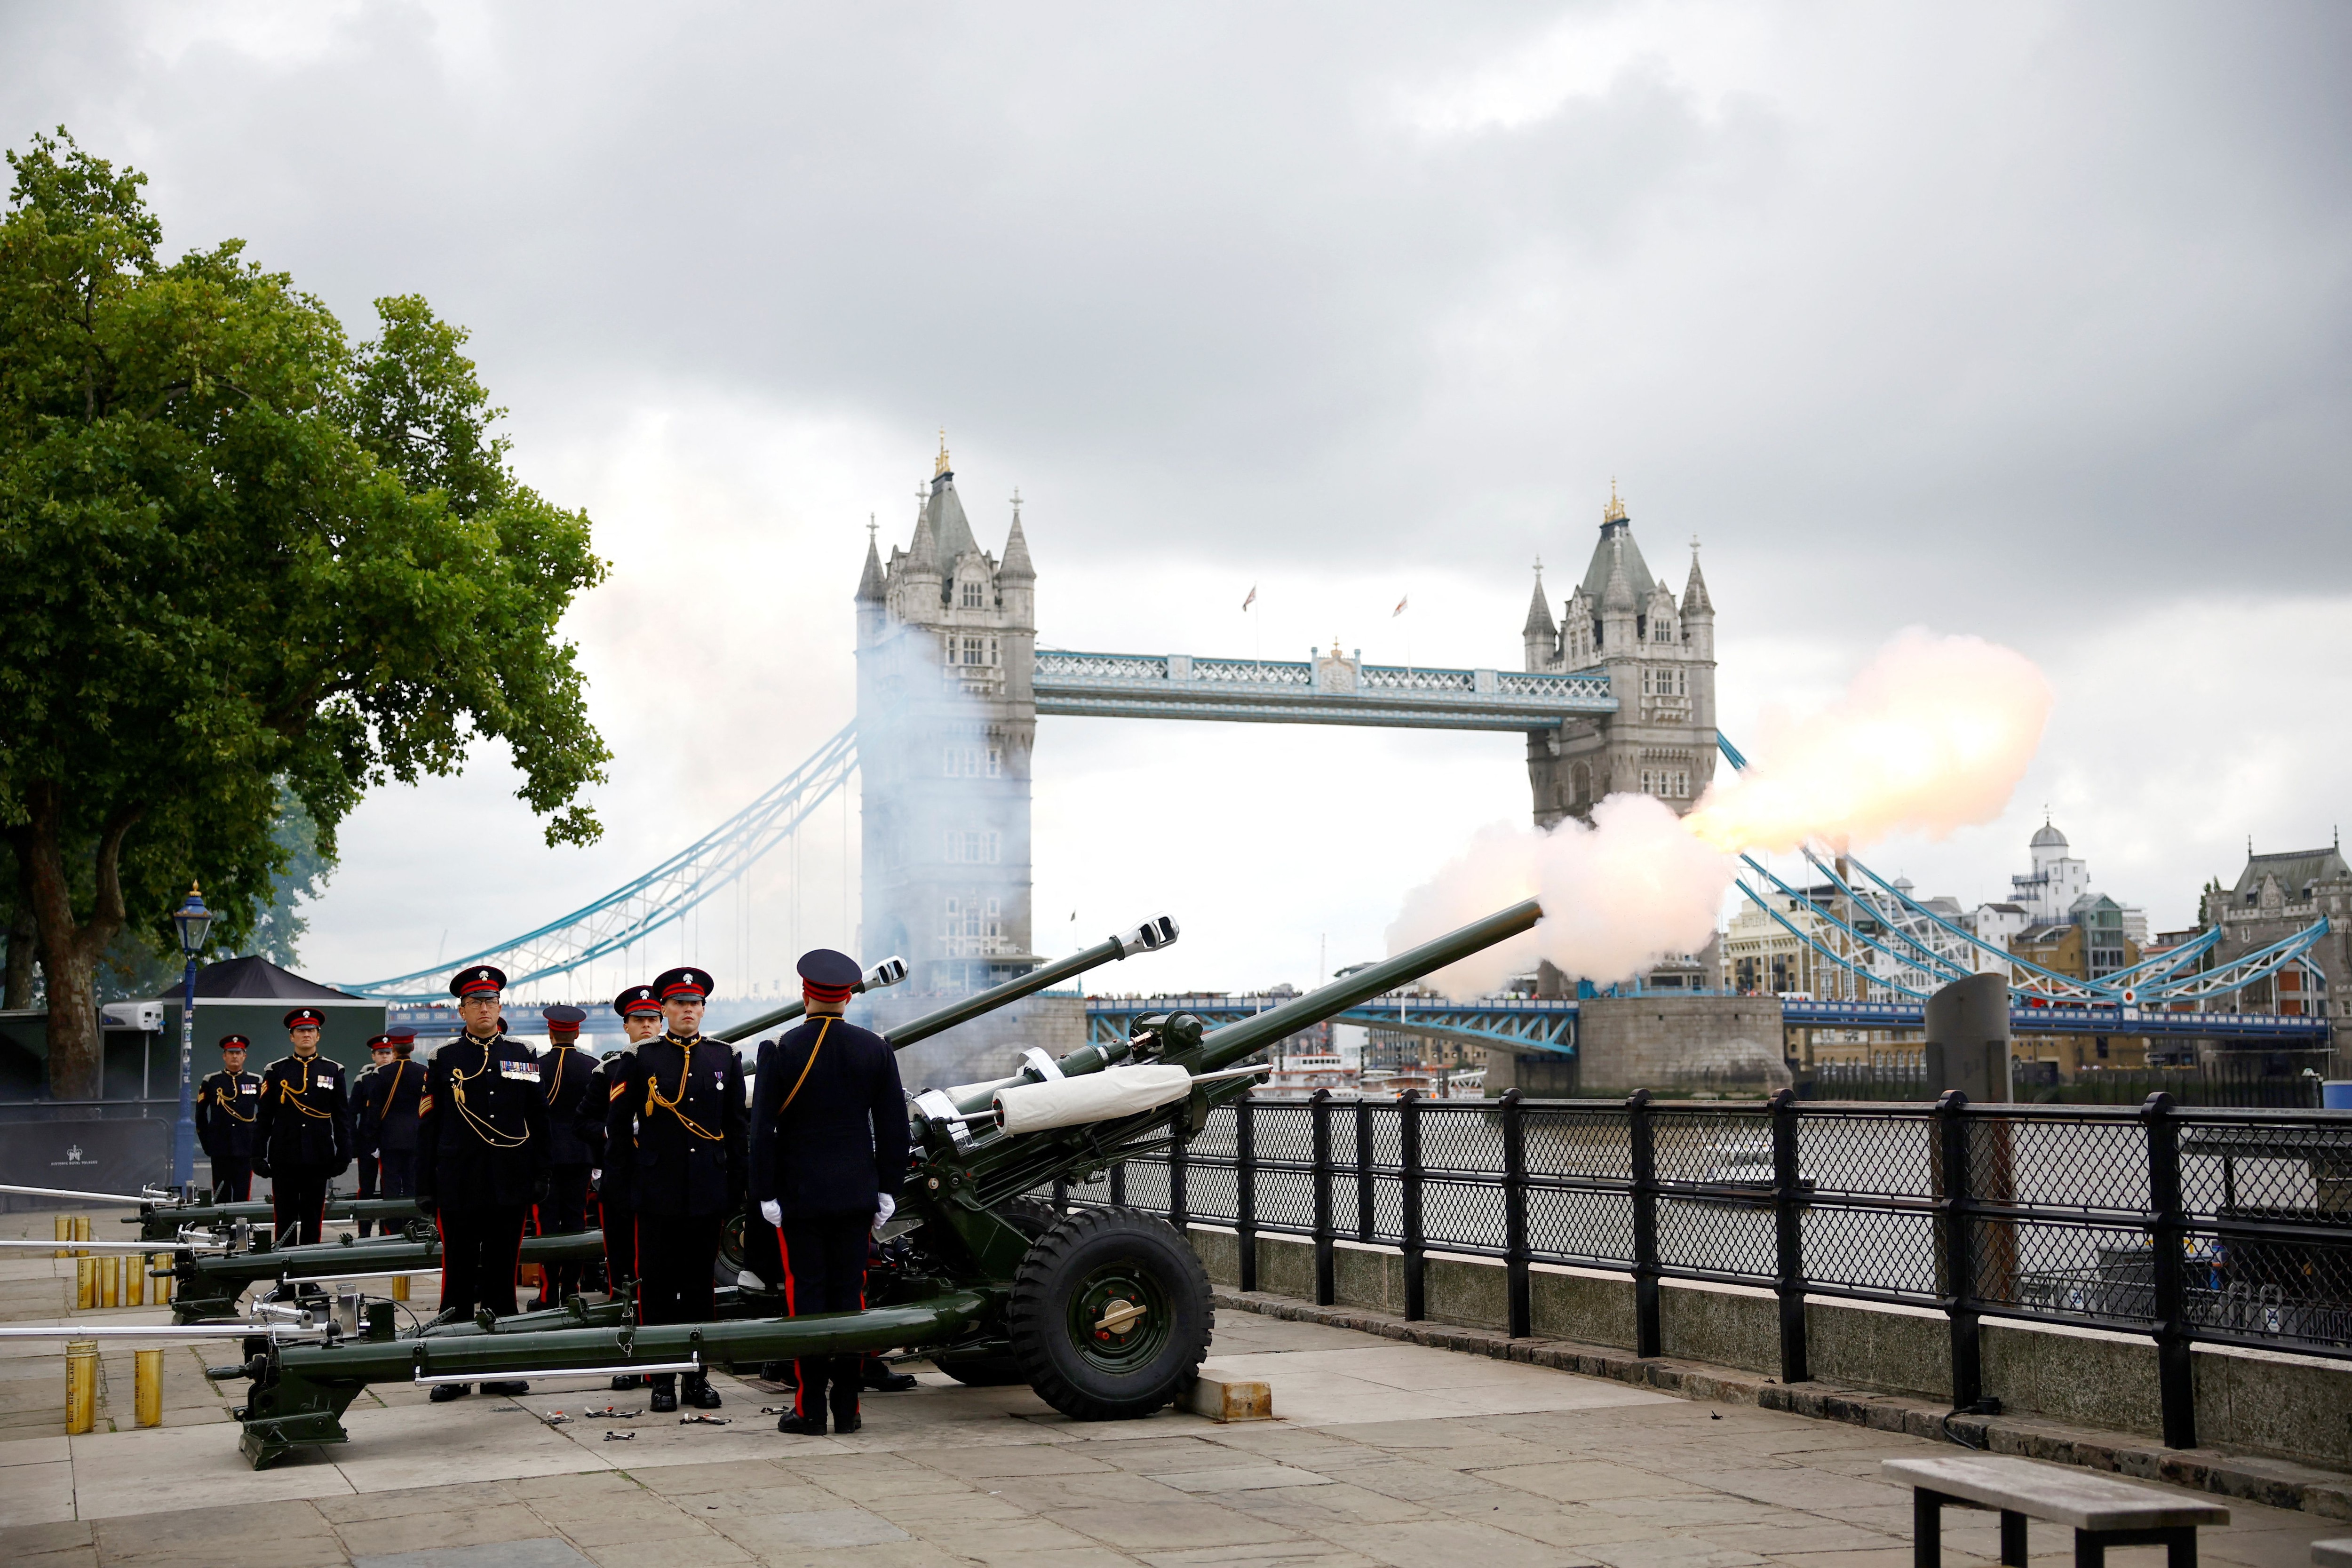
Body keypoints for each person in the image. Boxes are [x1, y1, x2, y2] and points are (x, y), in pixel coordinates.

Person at [749, 948, 907, 1435]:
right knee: (850, 1301)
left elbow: (762, 1132)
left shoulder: (782, 1049)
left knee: (806, 1303)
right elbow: (893, 1128)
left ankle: (809, 1409)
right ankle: (849, 1410)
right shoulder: (874, 1049)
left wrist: (765, 1194)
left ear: (805, 994)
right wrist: (886, 1190)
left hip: (799, 1199)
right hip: (856, 1197)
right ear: (848, 998)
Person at [606, 965, 744, 1413]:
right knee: (659, 1289)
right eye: (680, 1004)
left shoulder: (724, 1057)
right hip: (657, 1191)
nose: (688, 1010)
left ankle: (697, 1376)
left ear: (703, 1009)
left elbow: (736, 1130)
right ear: (664, 1010)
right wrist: (621, 1190)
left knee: (700, 1289)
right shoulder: (642, 1058)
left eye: (695, 1004)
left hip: (706, 1190)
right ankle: (662, 1378)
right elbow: (618, 1131)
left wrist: (739, 1188)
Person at [415, 965, 547, 1403]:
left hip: (509, 1181)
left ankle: (501, 1367)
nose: (485, 1008)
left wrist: (540, 1172)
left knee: (501, 1277)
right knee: (457, 1278)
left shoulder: (523, 1052)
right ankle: (452, 1368)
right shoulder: (445, 1057)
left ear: (501, 1006)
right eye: (476, 1002)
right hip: (458, 1183)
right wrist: (425, 1183)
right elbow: (429, 1125)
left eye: (491, 1001)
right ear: (463, 1009)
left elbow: (537, 1118)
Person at [584, 983, 660, 1388]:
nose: (646, 1026)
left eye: (652, 1019)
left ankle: (665, 1359)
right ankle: (627, 1358)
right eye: (639, 1020)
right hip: (622, 1184)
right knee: (624, 1276)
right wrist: (617, 1132)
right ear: (626, 1026)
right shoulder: (608, 1070)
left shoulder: (677, 1062)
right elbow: (585, 1121)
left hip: (664, 1187)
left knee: (662, 1277)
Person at [251, 1009, 352, 1248]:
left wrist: (344, 1154)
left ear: (318, 1036)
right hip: (284, 1156)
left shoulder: (333, 1071)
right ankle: (285, 1281)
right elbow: (264, 1117)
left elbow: (342, 1118)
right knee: (284, 1221)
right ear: (292, 1037)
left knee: (312, 1220)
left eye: (311, 1031)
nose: (306, 1035)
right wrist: (257, 1154)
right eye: (300, 1031)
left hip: (319, 1157)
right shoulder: (276, 1071)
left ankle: (308, 1283)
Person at [532, 1004, 598, 1309]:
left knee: (547, 1225)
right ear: (578, 1031)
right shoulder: (592, 1066)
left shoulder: (535, 1066)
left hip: (544, 1157)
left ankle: (548, 1294)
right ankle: (572, 1290)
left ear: (550, 1031)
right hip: (581, 1154)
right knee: (576, 1224)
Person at [355, 1028, 426, 1222]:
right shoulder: (424, 1073)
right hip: (416, 1140)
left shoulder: (381, 1074)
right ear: (413, 1048)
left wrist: (372, 1141)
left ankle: (392, 1230)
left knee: (391, 1189)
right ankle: (415, 1229)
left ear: (393, 1049)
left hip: (389, 1142)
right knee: (413, 1188)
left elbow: (374, 1113)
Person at [195, 1035, 262, 1202]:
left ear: (244, 1056)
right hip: (220, 1146)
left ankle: (241, 1226)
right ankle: (222, 1227)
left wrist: (257, 1141)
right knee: (220, 1192)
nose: (234, 1057)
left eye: (238, 1053)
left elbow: (265, 1113)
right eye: (231, 1053)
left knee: (243, 1192)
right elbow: (200, 1116)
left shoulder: (255, 1081)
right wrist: (207, 1144)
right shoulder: (211, 1081)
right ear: (224, 1056)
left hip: (245, 1146)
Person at [350, 1035, 395, 1235]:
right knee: (366, 1189)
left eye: (388, 1053)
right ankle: (364, 1233)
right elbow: (352, 1113)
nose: (385, 1057)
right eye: (381, 1054)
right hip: (368, 1142)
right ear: (373, 1055)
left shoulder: (399, 1076)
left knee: (390, 1189)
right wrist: (354, 1143)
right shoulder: (364, 1079)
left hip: (392, 1141)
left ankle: (387, 1232)